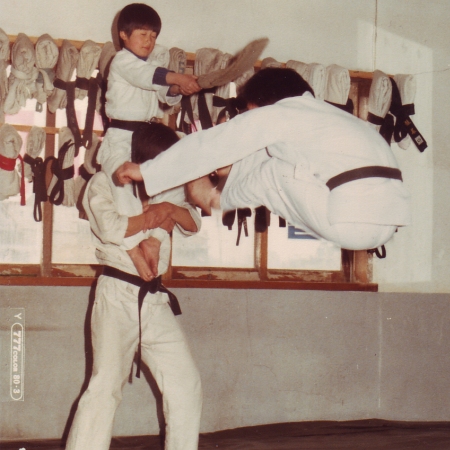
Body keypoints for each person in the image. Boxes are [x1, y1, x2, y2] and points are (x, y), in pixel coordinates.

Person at [115, 67, 411, 251]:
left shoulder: (280, 112)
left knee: (272, 172)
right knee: (275, 162)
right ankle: (224, 182)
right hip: (388, 224)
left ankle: (215, 197)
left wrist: (147, 171)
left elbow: (214, 143)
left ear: (262, 103)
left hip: (352, 221)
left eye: (249, 112)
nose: (249, 118)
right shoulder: (335, 119)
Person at [65, 122, 202, 450]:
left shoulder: (166, 189)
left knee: (186, 383)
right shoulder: (103, 183)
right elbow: (111, 227)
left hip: (154, 300)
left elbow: (193, 221)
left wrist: (166, 210)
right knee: (105, 388)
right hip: (117, 295)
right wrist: (154, 220)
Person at [97, 3, 201, 265]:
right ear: (123, 35)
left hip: (150, 138)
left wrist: (179, 88)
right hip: (121, 138)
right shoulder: (121, 61)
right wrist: (177, 77)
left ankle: (155, 240)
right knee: (122, 191)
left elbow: (164, 92)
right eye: (143, 34)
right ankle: (133, 248)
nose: (149, 41)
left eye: (153, 36)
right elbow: (146, 76)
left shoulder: (154, 66)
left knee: (170, 186)